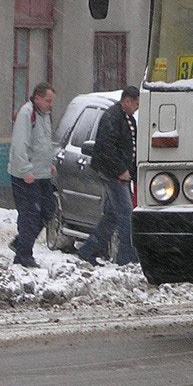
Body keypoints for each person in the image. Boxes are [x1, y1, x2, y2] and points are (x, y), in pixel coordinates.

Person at [78, 86, 140, 266]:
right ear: (126, 101)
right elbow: (107, 148)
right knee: (126, 214)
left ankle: (88, 250)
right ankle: (127, 258)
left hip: (118, 173)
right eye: (135, 103)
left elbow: (130, 149)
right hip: (112, 174)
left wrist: (132, 171)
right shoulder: (112, 118)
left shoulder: (127, 119)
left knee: (112, 215)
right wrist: (121, 170)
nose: (137, 107)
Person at [7, 82, 58, 268]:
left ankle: (21, 243)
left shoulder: (44, 115)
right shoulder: (27, 114)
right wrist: (25, 170)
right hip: (26, 175)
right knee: (30, 214)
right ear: (37, 98)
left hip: (41, 173)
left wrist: (50, 162)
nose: (50, 105)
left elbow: (44, 141)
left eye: (52, 101)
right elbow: (20, 144)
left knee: (48, 208)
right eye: (48, 100)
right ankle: (24, 255)